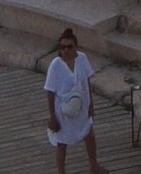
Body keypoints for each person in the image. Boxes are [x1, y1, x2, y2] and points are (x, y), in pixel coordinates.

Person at [45, 29, 103, 174]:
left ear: (75, 46)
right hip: (64, 111)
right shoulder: (55, 65)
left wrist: (91, 105)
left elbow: (87, 82)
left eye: (69, 46)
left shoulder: (82, 59)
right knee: (62, 143)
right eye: (63, 47)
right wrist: (53, 117)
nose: (66, 50)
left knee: (89, 136)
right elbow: (50, 91)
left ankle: (94, 166)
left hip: (82, 107)